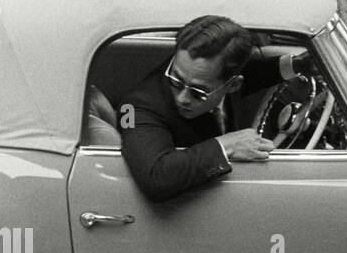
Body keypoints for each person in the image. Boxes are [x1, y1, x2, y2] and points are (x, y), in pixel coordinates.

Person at [118, 16, 305, 204]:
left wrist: (297, 64)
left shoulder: (218, 75)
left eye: (198, 93)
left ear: (233, 85)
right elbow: (156, 177)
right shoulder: (135, 107)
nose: (182, 99)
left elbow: (253, 74)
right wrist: (226, 146)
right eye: (175, 81)